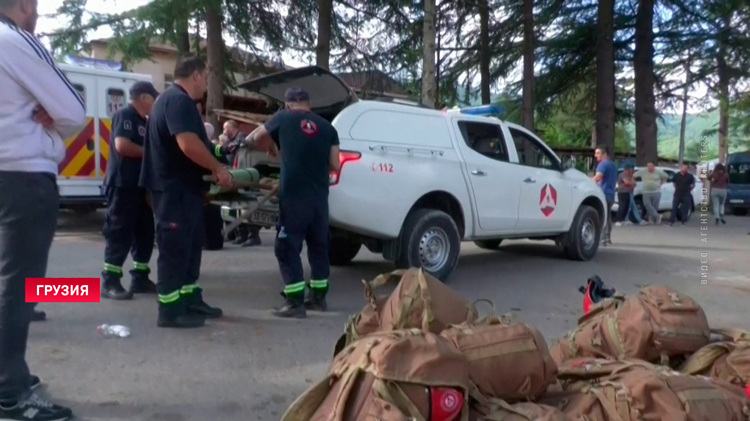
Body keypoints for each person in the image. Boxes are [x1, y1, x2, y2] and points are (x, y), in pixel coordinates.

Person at [0, 0, 86, 418]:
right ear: (23, 6)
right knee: (17, 288)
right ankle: (9, 393)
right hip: (23, 175)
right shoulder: (15, 40)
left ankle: (7, 372)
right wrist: (51, 120)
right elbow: (73, 110)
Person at [140, 56, 233, 328]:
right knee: (175, 249)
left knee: (191, 248)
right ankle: (169, 311)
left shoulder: (177, 102)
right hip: (173, 190)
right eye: (205, 78)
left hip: (184, 189)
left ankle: (190, 299)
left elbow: (200, 143)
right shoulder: (177, 101)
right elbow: (188, 144)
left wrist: (221, 152)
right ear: (196, 75)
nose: (206, 84)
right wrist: (218, 169)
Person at [247, 87, 340, 318]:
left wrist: (272, 146)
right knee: (319, 247)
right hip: (319, 198)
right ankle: (318, 299)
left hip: (294, 197)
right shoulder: (328, 127)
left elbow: (255, 138)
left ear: (288, 105)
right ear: (309, 105)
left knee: (287, 248)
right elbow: (335, 164)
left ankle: (295, 302)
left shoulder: (282, 118)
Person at [101, 81, 160, 300]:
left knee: (145, 233)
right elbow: (122, 146)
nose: (155, 103)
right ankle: (110, 281)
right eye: (154, 98)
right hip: (123, 184)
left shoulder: (143, 121)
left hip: (140, 186)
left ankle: (140, 277)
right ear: (144, 98)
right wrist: (151, 153)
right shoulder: (125, 116)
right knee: (120, 232)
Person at [593, 146, 617, 246]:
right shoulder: (613, 165)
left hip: (603, 193)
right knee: (608, 217)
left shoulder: (602, 164)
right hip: (611, 194)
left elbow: (598, 177)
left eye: (598, 153)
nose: (595, 156)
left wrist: (587, 181)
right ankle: (607, 237)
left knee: (602, 217)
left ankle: (602, 239)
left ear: (604, 154)